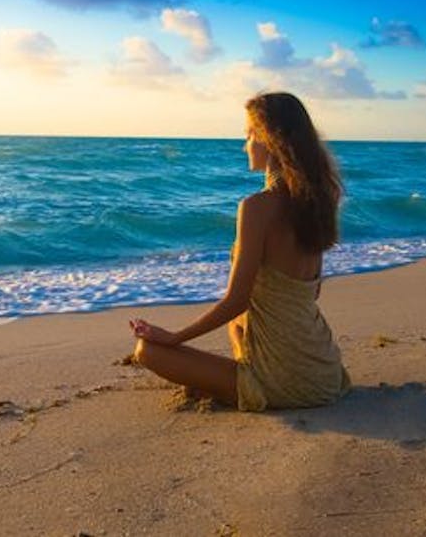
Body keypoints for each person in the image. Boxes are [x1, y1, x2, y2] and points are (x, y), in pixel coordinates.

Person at [130, 92, 350, 411]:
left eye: (249, 134)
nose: (244, 144)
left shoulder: (257, 207)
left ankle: (249, 385)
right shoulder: (319, 199)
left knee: (147, 352)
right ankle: (248, 375)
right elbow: (311, 293)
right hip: (324, 369)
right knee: (239, 326)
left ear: (268, 140)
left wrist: (173, 338)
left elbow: (236, 301)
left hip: (287, 381)